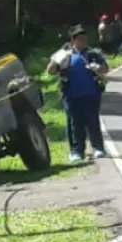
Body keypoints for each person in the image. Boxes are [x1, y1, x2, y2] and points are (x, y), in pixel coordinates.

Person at [47, 25, 109, 163]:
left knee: (93, 121)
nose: (83, 42)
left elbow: (105, 68)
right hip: (71, 95)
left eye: (85, 39)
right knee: (74, 124)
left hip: (91, 94)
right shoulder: (65, 54)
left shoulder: (93, 54)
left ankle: (98, 148)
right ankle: (76, 151)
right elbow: (50, 71)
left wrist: (99, 68)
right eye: (80, 39)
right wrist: (55, 61)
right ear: (73, 40)